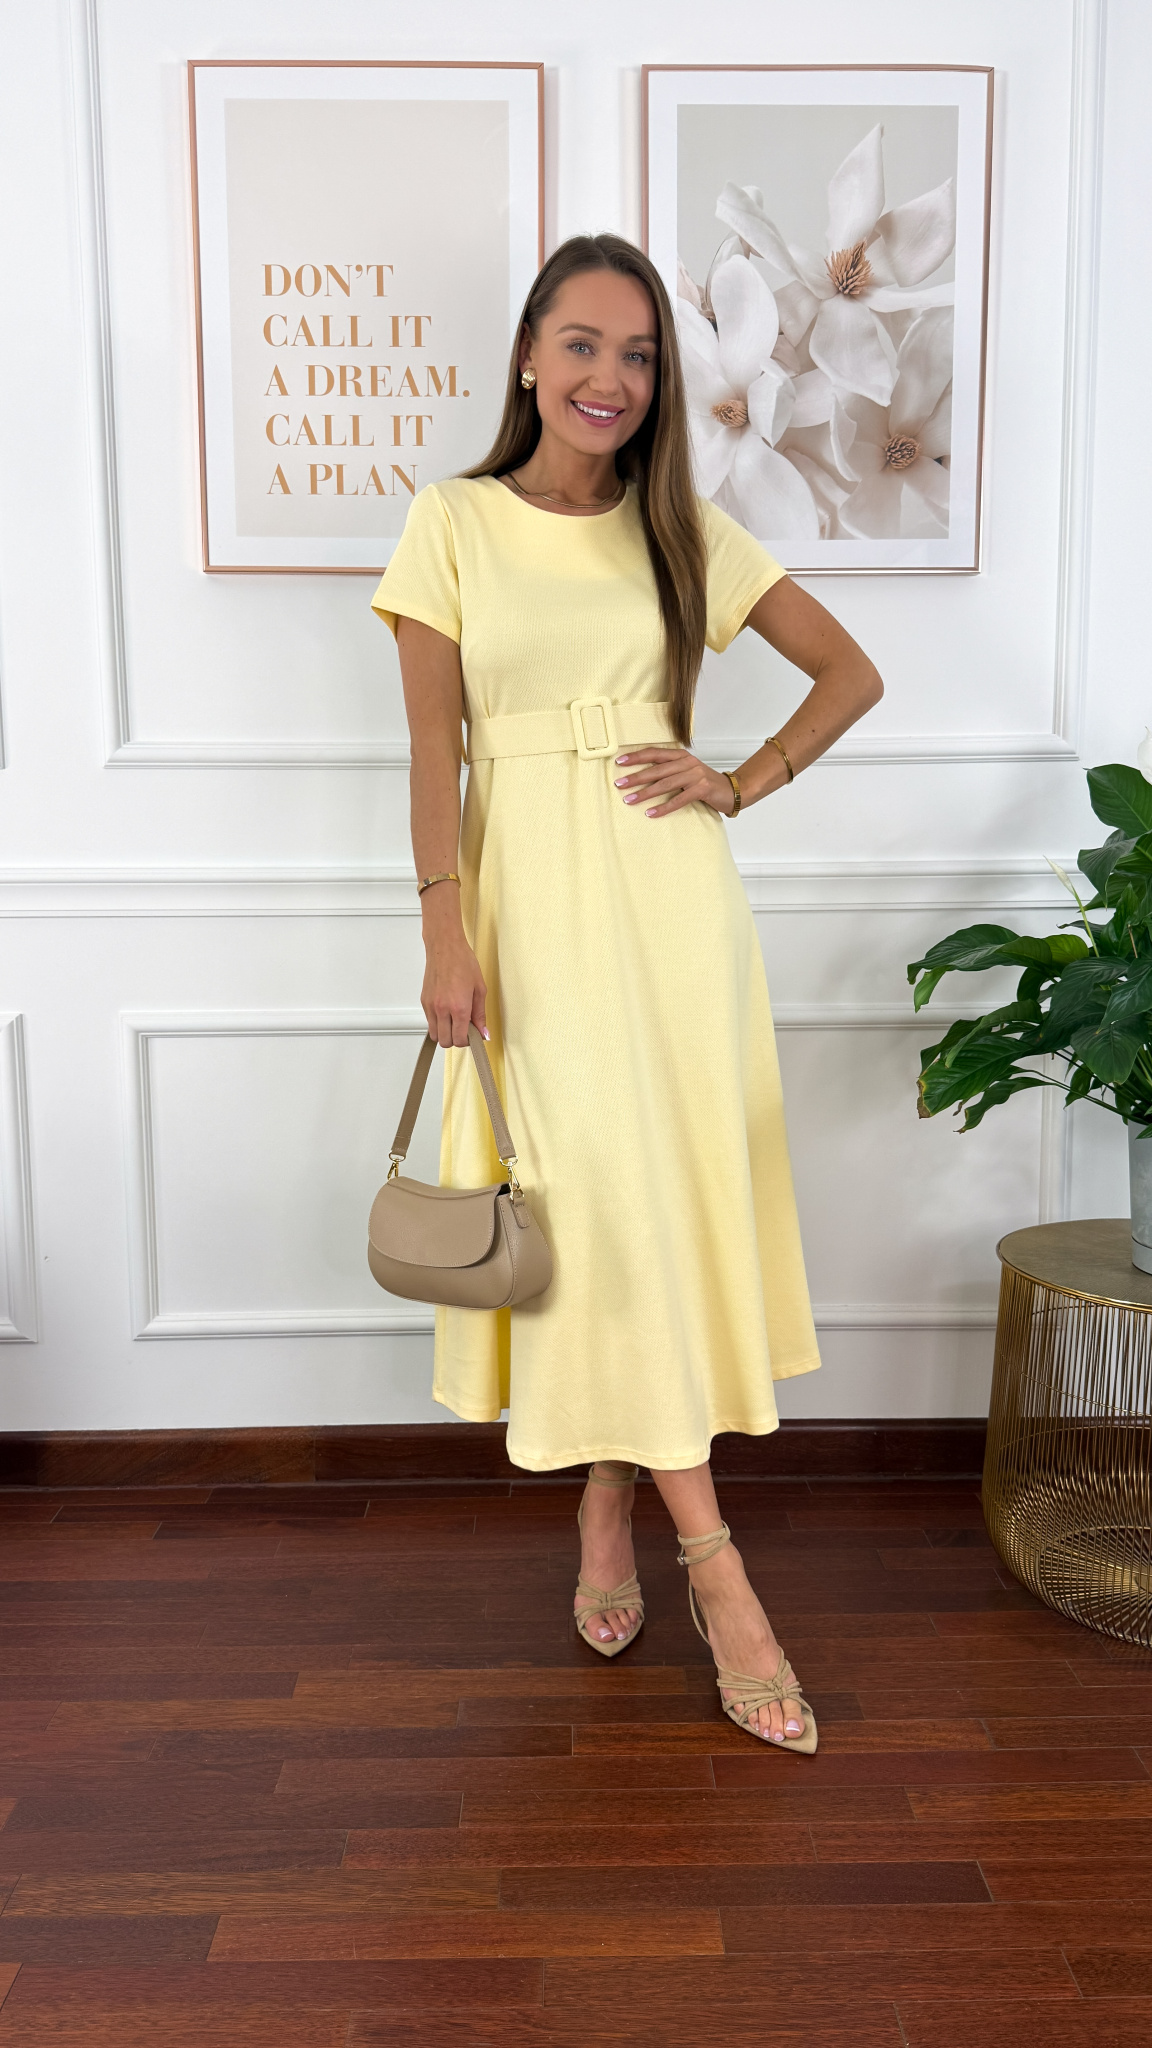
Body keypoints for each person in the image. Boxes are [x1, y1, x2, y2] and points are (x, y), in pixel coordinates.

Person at [371, 234, 882, 1749]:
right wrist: (443, 928)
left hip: (671, 909)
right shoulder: (452, 521)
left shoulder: (681, 529)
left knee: (646, 1212)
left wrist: (741, 777)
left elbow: (849, 674)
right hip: (526, 913)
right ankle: (718, 1567)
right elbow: (433, 752)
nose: (612, 377)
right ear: (530, 355)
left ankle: (615, 1505)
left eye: (642, 355)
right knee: (591, 1208)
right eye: (585, 344)